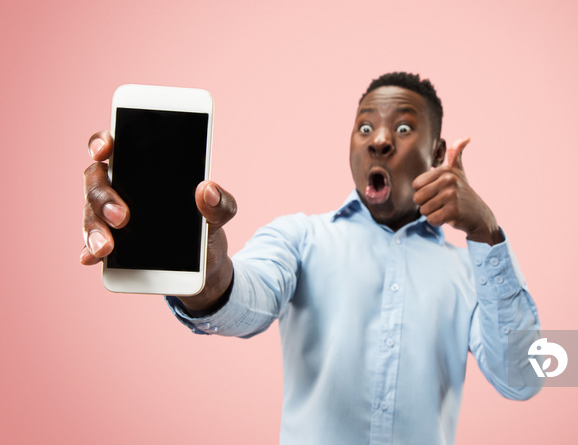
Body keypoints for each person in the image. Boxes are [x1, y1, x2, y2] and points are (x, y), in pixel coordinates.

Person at [81, 72, 543, 445]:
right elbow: (246, 297)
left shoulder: (471, 273)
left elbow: (522, 376)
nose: (378, 140)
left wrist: (487, 233)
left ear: (438, 153)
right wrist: (203, 268)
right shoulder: (300, 238)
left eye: (403, 128)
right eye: (365, 127)